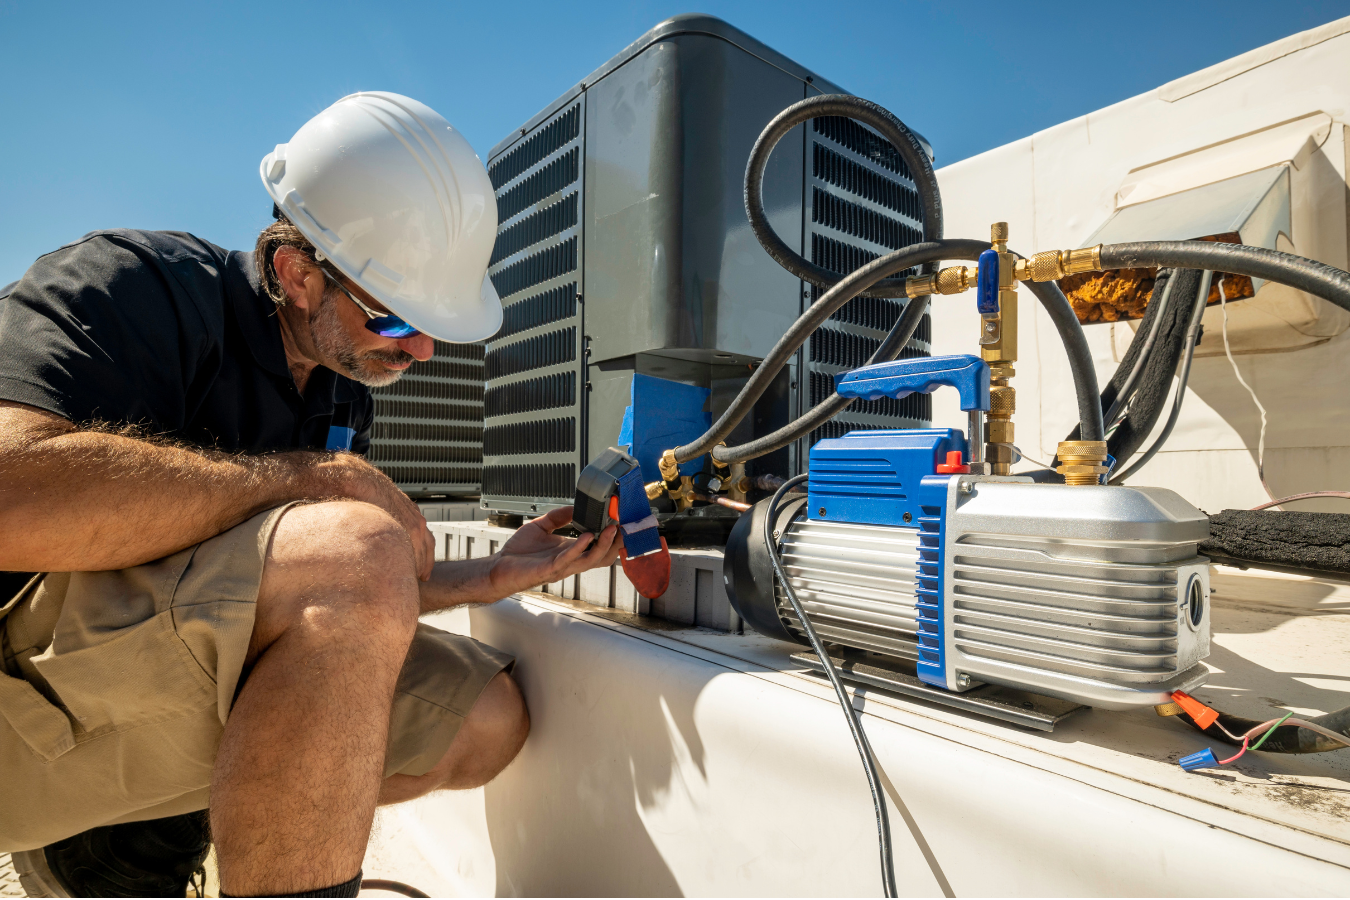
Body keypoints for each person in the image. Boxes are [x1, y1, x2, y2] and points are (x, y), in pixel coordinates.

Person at [0, 92, 620, 897]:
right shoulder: (138, 291)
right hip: (24, 704)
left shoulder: (338, 393)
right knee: (353, 542)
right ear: (297, 274)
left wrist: (494, 577)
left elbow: (332, 598)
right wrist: (311, 479)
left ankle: (193, 825)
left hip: (156, 685)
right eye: (397, 321)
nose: (424, 350)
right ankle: (98, 846)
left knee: (486, 718)